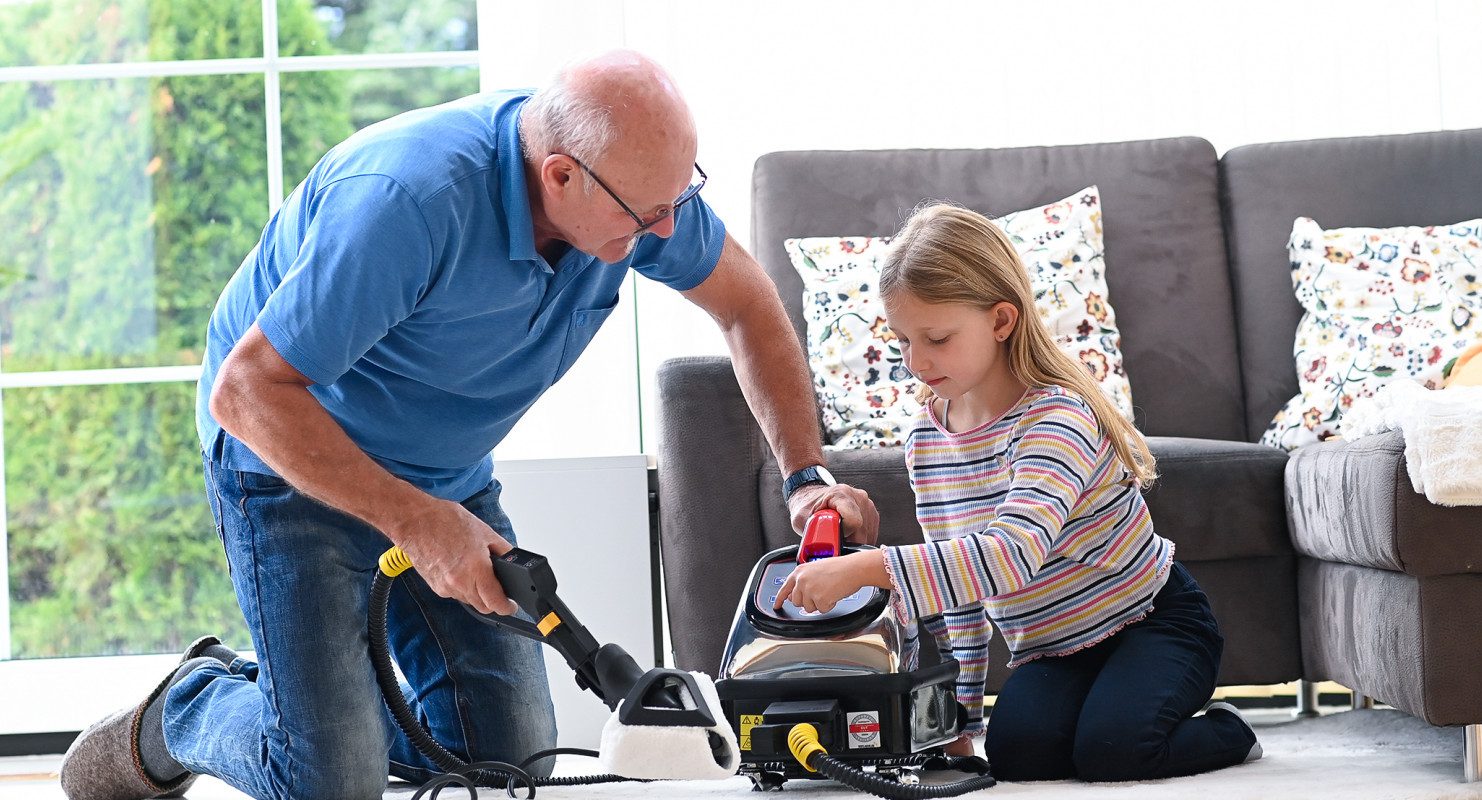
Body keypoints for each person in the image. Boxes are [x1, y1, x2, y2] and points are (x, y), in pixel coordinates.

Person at [59, 50, 877, 800]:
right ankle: (196, 704)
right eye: (648, 213)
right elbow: (246, 392)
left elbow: (748, 307)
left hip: (445, 477)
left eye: (680, 197)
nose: (668, 231)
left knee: (509, 762)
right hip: (289, 464)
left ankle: (322, 712)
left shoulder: (632, 192)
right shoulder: (405, 204)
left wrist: (807, 479)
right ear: (561, 177)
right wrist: (417, 522)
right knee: (330, 785)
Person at [772, 204, 1261, 782]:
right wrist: (962, 722)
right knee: (1019, 758)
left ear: (1001, 320)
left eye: (937, 338)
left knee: (1115, 749)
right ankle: (1108, 707)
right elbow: (960, 596)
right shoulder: (927, 440)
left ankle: (1229, 729)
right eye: (902, 339)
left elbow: (1009, 553)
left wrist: (869, 568)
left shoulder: (1056, 419)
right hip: (1054, 647)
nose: (916, 361)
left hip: (1152, 620)